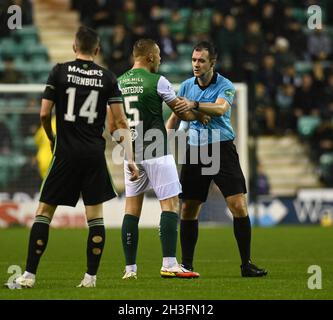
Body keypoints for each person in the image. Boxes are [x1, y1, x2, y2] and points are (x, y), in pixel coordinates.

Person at [10, 26, 139, 289]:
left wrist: (49, 136)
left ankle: (29, 275)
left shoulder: (59, 71)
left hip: (65, 153)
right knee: (95, 218)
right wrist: (131, 158)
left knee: (44, 212)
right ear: (98, 49)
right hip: (93, 155)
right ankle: (90, 278)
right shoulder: (108, 78)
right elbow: (120, 121)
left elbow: (44, 114)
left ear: (74, 47)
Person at [166, 41, 267, 277]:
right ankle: (187, 265)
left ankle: (246, 264)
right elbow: (174, 118)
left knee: (238, 205)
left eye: (201, 60)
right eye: (193, 60)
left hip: (222, 148)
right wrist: (161, 142)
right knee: (189, 208)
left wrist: (196, 105)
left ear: (212, 62)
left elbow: (221, 109)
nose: (196, 65)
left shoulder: (225, 85)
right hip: (196, 149)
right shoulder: (186, 86)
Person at [115, 39, 209, 280]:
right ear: (149, 57)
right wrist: (199, 113)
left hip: (131, 154)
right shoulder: (158, 81)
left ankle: (129, 270)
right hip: (156, 149)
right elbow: (180, 110)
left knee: (131, 210)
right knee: (169, 206)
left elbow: (114, 123)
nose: (160, 59)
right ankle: (169, 263)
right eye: (157, 55)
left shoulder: (118, 83)